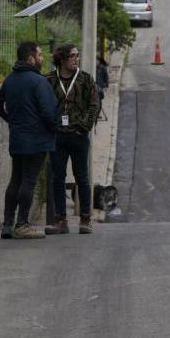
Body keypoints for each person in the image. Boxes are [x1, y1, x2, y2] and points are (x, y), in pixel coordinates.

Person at [0, 42, 57, 239]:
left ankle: (7, 224)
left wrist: (14, 122)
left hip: (18, 138)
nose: (42, 58)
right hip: (37, 140)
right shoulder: (39, 82)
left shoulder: (9, 80)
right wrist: (53, 130)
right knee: (28, 181)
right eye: (39, 55)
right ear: (30, 58)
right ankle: (22, 224)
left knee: (16, 179)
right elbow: (49, 113)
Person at [45, 44, 99, 235]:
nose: (77, 59)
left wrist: (83, 127)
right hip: (57, 136)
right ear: (62, 59)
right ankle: (60, 220)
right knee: (57, 178)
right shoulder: (49, 80)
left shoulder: (85, 79)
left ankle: (85, 219)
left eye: (78, 55)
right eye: (73, 56)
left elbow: (94, 105)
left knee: (82, 178)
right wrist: (51, 127)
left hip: (78, 136)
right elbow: (43, 105)